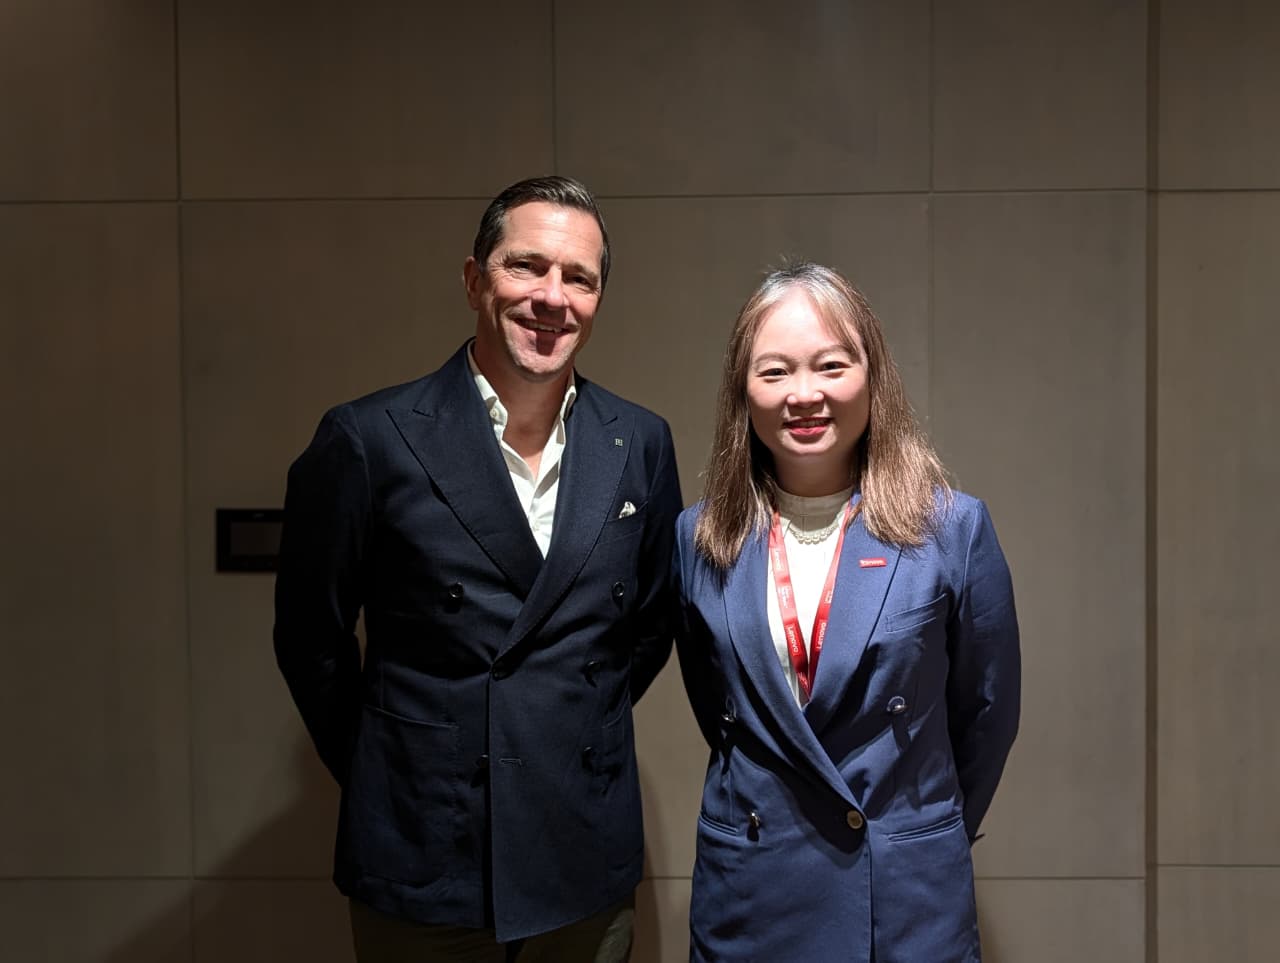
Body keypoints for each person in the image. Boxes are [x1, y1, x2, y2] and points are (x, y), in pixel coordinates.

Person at [273, 175, 682, 962]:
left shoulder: (640, 441)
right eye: (527, 266)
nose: (551, 297)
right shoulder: (369, 438)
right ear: (474, 280)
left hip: (581, 852)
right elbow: (309, 641)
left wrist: (566, 729)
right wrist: (396, 765)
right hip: (425, 849)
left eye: (579, 278)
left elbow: (652, 623)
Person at [673, 262, 1020, 962]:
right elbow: (722, 711)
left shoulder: (950, 528)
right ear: (744, 390)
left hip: (902, 897)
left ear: (872, 372)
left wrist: (916, 826)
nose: (804, 394)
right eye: (775, 372)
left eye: (830, 365)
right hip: (752, 886)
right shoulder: (699, 534)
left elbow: (988, 714)